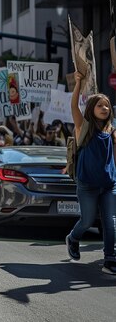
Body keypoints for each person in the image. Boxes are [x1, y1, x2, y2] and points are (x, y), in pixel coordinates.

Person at [66, 71, 116, 274]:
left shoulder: (111, 130)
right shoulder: (83, 127)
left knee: (110, 222)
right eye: (99, 105)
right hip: (87, 185)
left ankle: (110, 259)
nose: (104, 108)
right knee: (87, 221)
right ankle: (73, 238)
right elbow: (73, 106)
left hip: (109, 184)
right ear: (91, 109)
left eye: (107, 105)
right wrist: (78, 83)